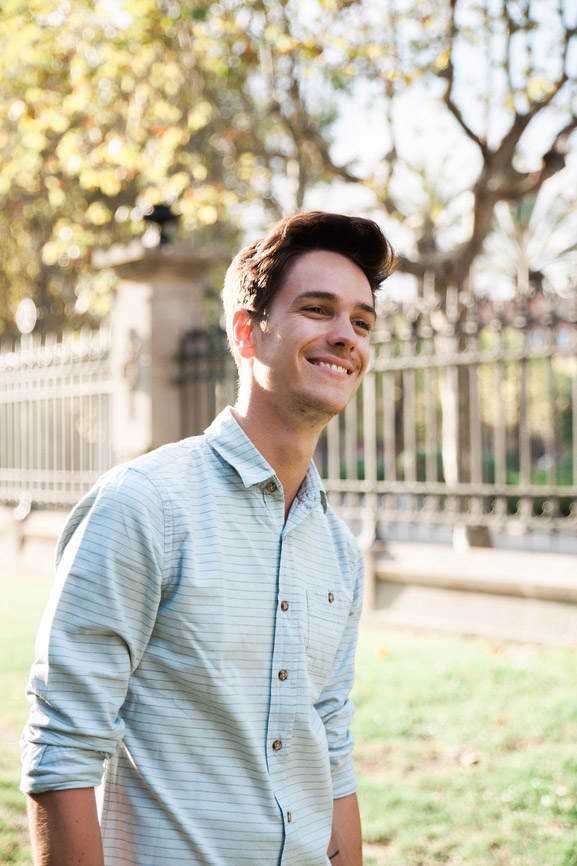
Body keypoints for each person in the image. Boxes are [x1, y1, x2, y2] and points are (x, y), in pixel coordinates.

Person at [21, 210, 395, 866]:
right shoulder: (143, 504)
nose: (345, 336)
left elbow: (330, 749)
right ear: (247, 333)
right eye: (318, 310)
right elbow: (63, 751)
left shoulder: (337, 548)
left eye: (361, 322)